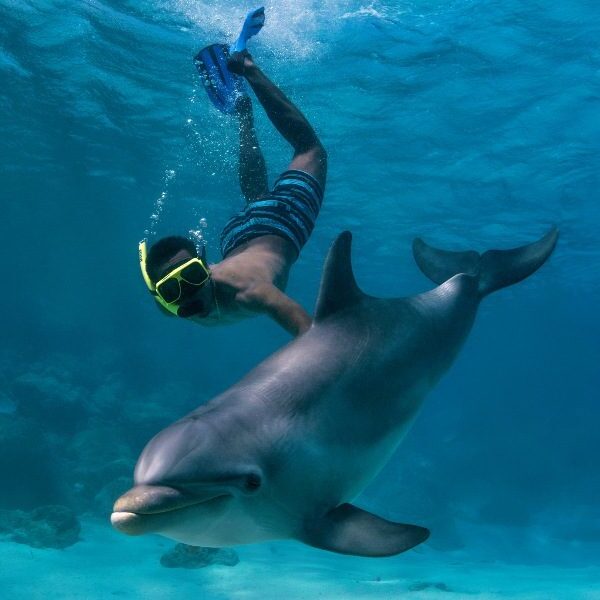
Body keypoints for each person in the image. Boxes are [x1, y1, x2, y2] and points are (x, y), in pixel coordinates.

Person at [139, 8, 326, 337]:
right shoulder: (167, 306)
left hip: (278, 226)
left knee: (310, 150)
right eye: (172, 290)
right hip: (237, 237)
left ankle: (247, 67)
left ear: (207, 269)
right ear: (160, 296)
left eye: (193, 277)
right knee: (256, 196)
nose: (189, 293)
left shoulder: (251, 292)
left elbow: (310, 335)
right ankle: (242, 114)